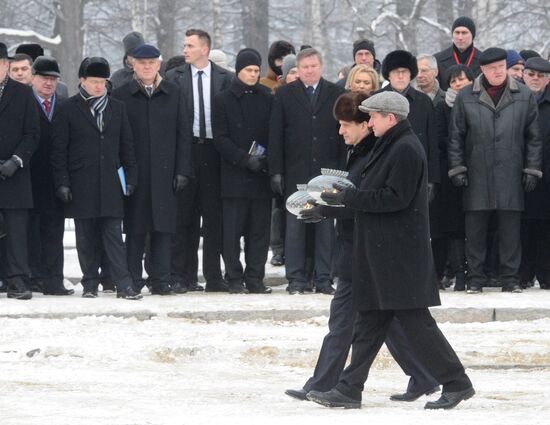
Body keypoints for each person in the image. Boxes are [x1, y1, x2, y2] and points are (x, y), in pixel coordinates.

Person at [306, 91, 475, 410]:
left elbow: (393, 198)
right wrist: (338, 205)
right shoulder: (390, 145)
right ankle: (349, 388)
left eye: (372, 116)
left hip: (399, 256)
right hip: (384, 253)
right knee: (369, 321)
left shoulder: (406, 148)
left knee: (416, 325)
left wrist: (348, 199)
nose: (367, 121)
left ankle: (457, 382)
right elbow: (376, 197)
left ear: (390, 118)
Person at [285, 91, 439, 403]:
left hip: (366, 249)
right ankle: (423, 376)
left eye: (346, 124)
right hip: (362, 247)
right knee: (382, 320)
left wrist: (325, 209)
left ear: (365, 125)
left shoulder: (380, 152)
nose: (340, 131)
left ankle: (325, 383)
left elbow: (368, 202)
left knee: (346, 318)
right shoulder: (364, 150)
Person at [448, 47, 542, 294]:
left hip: (511, 172)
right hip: (477, 173)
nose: (497, 72)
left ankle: (510, 278)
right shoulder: (466, 96)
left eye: (501, 66)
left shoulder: (523, 95)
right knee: (475, 231)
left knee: (510, 231)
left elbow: (533, 137)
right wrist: (457, 167)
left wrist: (532, 168)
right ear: (482, 70)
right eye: (492, 68)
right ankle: (476, 278)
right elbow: (456, 136)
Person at [51, 57, 141, 300]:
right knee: (86, 236)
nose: (99, 86)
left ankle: (124, 284)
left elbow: (127, 147)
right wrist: (62, 182)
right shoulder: (68, 108)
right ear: (82, 81)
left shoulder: (117, 108)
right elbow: (59, 150)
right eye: (94, 82)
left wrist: (131, 177)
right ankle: (89, 282)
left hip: (111, 182)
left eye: (102, 82)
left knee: (114, 236)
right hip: (82, 182)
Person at [113, 44, 193, 296]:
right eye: (142, 62)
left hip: (166, 171)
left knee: (163, 228)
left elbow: (183, 133)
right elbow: (118, 138)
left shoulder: (174, 92)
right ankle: (132, 279)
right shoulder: (122, 94)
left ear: (159, 64)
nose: (147, 67)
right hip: (135, 171)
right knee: (135, 228)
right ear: (132, 64)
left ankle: (161, 279)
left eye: (152, 62)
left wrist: (183, 170)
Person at [269, 47, 346, 295]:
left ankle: (323, 278)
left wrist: (341, 171)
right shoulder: (284, 95)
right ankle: (296, 278)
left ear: (321, 67)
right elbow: (276, 135)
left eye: (313, 66)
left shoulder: (336, 93)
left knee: (324, 227)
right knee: (296, 227)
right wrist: (276, 171)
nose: (309, 71)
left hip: (327, 173)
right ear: (297, 70)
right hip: (296, 171)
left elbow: (342, 135)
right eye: (304, 67)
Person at [166, 29, 233, 293]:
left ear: (204, 49)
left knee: (214, 217)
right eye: (184, 45)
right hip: (186, 151)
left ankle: (214, 276)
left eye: (190, 45)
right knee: (185, 217)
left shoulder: (224, 79)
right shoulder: (174, 77)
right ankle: (182, 275)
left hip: (215, 153)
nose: (185, 50)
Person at [213, 48, 273, 294]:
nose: (253, 74)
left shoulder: (268, 97)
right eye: (248, 70)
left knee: (259, 232)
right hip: (234, 175)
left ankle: (255, 278)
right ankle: (234, 277)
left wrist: (265, 160)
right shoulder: (223, 99)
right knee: (232, 232)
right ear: (238, 71)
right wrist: (243, 159)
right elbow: (220, 138)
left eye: (256, 70)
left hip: (260, 175)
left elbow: (273, 133)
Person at [28, 56, 73, 296]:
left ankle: (55, 279)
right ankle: (35, 277)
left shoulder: (64, 105)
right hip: (29, 177)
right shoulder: (24, 103)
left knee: (55, 231)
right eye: (44, 78)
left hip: (57, 179)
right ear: (33, 79)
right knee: (31, 230)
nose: (49, 83)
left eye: (53, 79)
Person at [0, 41, 40, 300]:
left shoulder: (23, 93)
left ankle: (17, 280)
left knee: (16, 230)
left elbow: (32, 133)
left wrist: (16, 160)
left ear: (6, 66)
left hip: (15, 173)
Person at [435, 64, 475, 291]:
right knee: (454, 227)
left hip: (476, 170)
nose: (458, 84)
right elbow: (440, 138)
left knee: (476, 225)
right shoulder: (441, 107)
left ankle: (476, 272)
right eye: (453, 81)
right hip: (450, 172)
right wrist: (459, 144)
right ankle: (459, 274)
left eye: (462, 79)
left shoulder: (479, 104)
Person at [519, 57, 550, 289]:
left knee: (544, 228)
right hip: (517, 175)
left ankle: (545, 273)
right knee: (520, 228)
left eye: (541, 75)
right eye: (531, 74)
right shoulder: (514, 100)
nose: (536, 79)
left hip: (547, 176)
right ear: (523, 75)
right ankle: (523, 273)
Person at [434, 16, 482, 90]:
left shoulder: (483, 60)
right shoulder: (437, 60)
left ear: (472, 35)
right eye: (457, 32)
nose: (460, 37)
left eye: (464, 33)